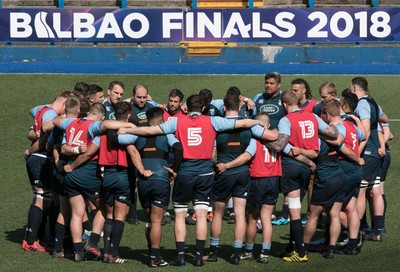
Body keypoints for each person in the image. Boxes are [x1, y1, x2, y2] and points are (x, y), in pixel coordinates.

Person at [118, 94, 267, 267]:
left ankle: (180, 256)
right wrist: (257, 122)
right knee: (202, 215)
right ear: (203, 108)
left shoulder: (176, 122)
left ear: (186, 108)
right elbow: (240, 123)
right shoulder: (213, 121)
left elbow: (151, 130)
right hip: (204, 174)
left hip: (185, 173)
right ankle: (197, 256)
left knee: (180, 214)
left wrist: (128, 130)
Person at [52, 102, 133, 262]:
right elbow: (107, 127)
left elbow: (55, 121)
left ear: (88, 111)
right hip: (87, 172)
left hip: (70, 174)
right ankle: (93, 242)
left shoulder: (72, 122)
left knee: (77, 212)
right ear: (101, 117)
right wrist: (130, 124)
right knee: (104, 207)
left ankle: (78, 252)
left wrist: (71, 153)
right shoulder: (93, 127)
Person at [266, 90, 338, 263]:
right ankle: (291, 247)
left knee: (294, 210)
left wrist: (264, 138)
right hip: (306, 169)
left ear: (284, 105)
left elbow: (279, 145)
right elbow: (333, 134)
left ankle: (301, 251)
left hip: (291, 168)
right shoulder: (312, 117)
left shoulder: (286, 120)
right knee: (296, 207)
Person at [113, 106, 183, 267]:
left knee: (149, 221)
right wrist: (175, 170)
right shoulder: (167, 134)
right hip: (160, 178)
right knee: (156, 221)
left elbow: (116, 137)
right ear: (162, 119)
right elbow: (178, 148)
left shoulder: (136, 134)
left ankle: (152, 253)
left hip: (143, 180)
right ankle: (155, 258)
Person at [206, 94, 257, 264]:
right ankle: (236, 253)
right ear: (240, 107)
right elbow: (248, 155)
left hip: (223, 174)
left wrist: (222, 165)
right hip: (242, 174)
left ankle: (213, 252)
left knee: (218, 214)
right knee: (240, 214)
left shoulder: (217, 126)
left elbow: (212, 154)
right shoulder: (248, 128)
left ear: (224, 108)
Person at [22, 91, 69, 252]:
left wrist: (32, 133)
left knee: (46, 197)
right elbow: (44, 137)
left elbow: (32, 110)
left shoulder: (42, 109)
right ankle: (30, 241)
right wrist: (30, 150)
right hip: (40, 157)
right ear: (63, 104)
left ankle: (39, 238)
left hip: (39, 158)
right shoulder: (50, 113)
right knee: (40, 197)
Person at [302, 100, 347, 259]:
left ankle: (304, 247)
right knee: (334, 214)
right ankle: (331, 249)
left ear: (326, 116)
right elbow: (340, 142)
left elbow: (313, 153)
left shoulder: (318, 139)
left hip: (325, 177)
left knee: (313, 215)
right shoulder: (339, 130)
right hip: (339, 175)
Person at [239, 112, 281, 264]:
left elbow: (247, 157)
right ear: (268, 126)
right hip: (273, 180)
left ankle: (249, 251)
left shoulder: (254, 140)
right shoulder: (278, 140)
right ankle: (264, 253)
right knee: (266, 219)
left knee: (251, 219)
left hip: (257, 180)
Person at [350, 77, 387, 241]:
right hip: (378, 152)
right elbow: (384, 119)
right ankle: (377, 230)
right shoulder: (372, 102)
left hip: (368, 152)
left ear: (353, 88)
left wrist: (356, 154)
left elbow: (364, 132)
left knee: (361, 192)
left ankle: (356, 230)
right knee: (376, 190)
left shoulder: (362, 105)